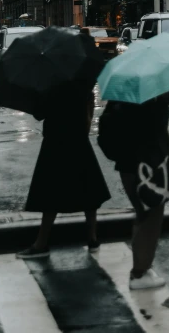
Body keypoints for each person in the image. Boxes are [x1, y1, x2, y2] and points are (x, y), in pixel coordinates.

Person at [17, 83, 110, 259]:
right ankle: (92, 237)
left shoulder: (51, 85)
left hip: (56, 142)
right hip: (79, 142)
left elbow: (38, 113)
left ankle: (41, 242)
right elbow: (87, 119)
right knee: (88, 190)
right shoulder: (83, 86)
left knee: (51, 195)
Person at [98, 96, 169, 290]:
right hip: (149, 165)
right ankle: (139, 272)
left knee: (142, 214)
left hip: (127, 166)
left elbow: (104, 136)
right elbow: (158, 130)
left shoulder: (117, 103)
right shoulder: (153, 104)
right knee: (151, 217)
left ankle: (142, 268)